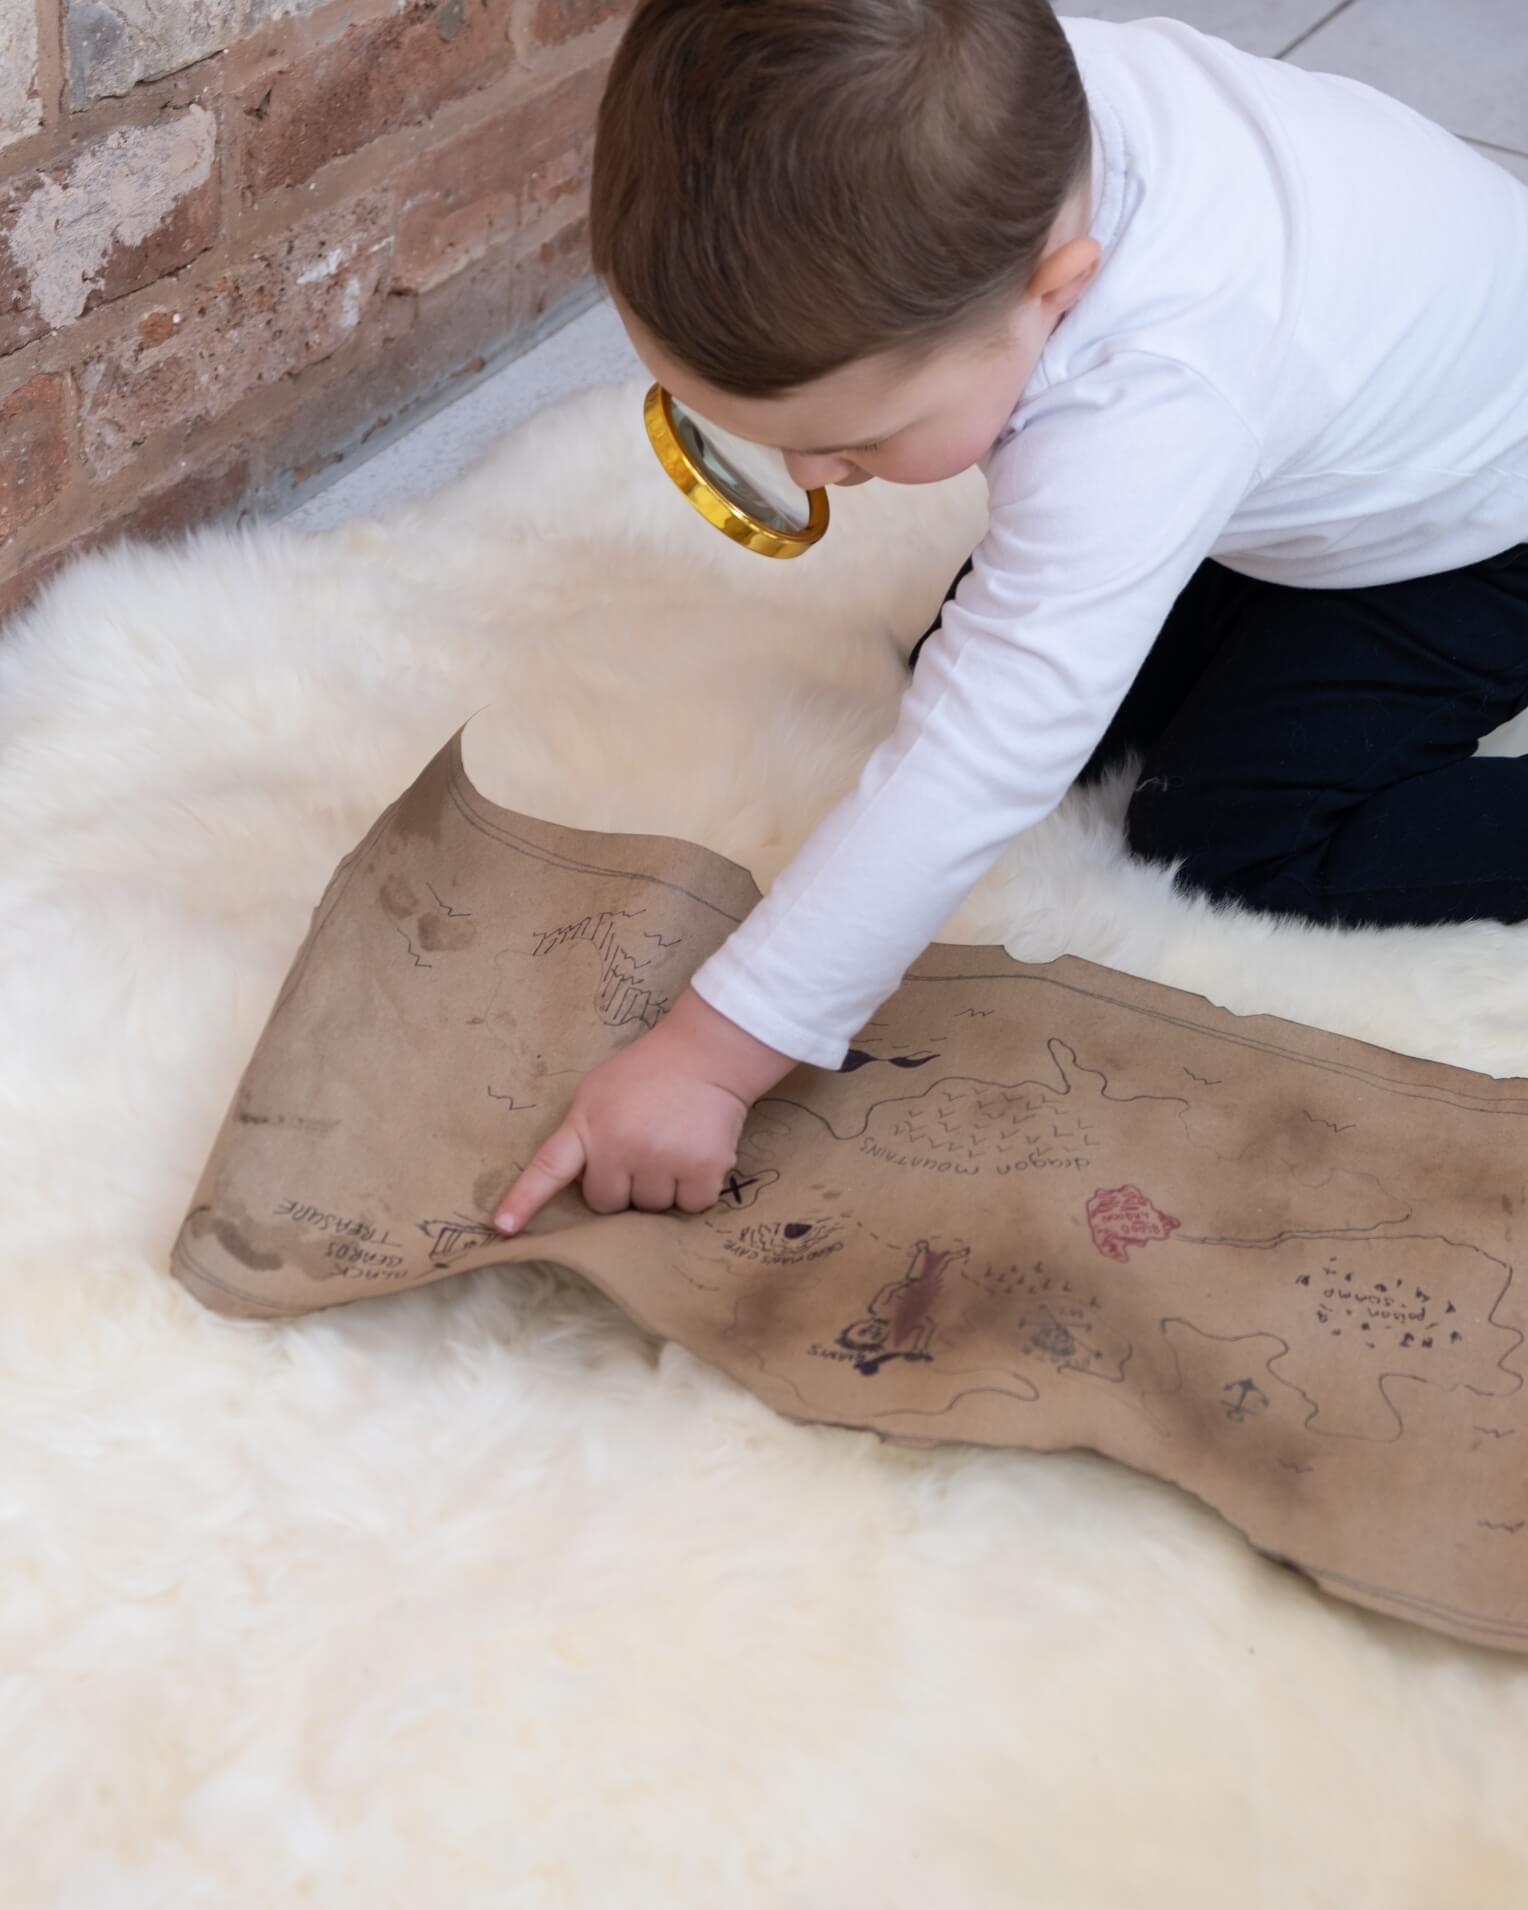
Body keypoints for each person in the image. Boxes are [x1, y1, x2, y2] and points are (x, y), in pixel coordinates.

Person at [495, 0, 1528, 1235]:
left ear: (1058, 291)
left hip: (1478, 534)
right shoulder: (1007, 108)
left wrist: (713, 1055)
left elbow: (975, 758)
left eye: (860, 439)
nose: (820, 478)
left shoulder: (1152, 399)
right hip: (1334, 433)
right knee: (991, 671)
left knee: (1224, 835)